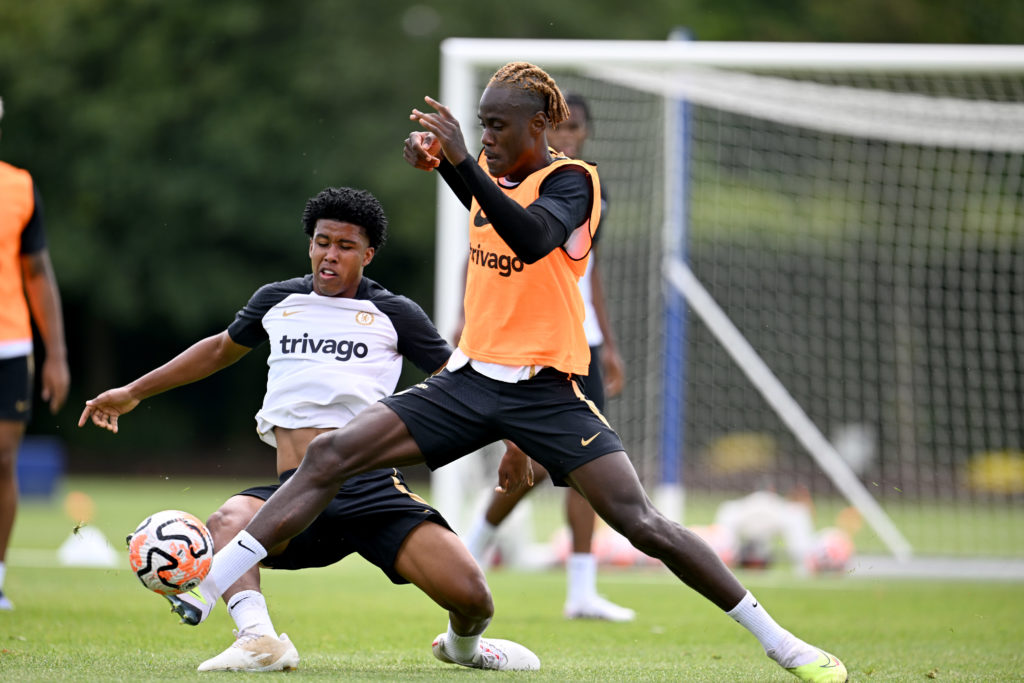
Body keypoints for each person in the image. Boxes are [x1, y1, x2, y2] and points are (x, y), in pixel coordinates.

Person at [168, 63, 848, 683]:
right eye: (482, 122)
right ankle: (206, 587)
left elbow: (529, 236)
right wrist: (438, 161)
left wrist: (460, 160)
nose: (487, 134)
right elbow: (484, 195)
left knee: (642, 522)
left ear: (540, 125)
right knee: (330, 454)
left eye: (498, 124)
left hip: (549, 392)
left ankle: (783, 643)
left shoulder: (574, 182)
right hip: (467, 382)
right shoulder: (486, 179)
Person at [78, 186, 539, 672]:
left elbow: (464, 381)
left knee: (473, 599)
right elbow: (217, 350)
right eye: (322, 242)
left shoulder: (395, 312)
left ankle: (462, 648)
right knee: (225, 522)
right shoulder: (277, 301)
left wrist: (514, 441)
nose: (329, 255)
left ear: (368, 253)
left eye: (344, 246)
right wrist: (133, 392)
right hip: (295, 491)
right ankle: (259, 639)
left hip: (372, 492)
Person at [461, 92, 634, 622]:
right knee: (527, 464)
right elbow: (485, 251)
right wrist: (462, 320)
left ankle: (581, 590)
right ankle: (467, 553)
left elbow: (591, 266)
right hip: (525, 340)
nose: (568, 136)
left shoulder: (583, 188)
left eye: (577, 127)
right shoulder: (511, 181)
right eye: (560, 127)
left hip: (576, 344)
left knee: (589, 465)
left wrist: (606, 339)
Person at [0, 96, 70, 611]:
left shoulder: (19, 185)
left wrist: (56, 355)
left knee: (3, 460)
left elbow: (37, 272)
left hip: (9, 341)